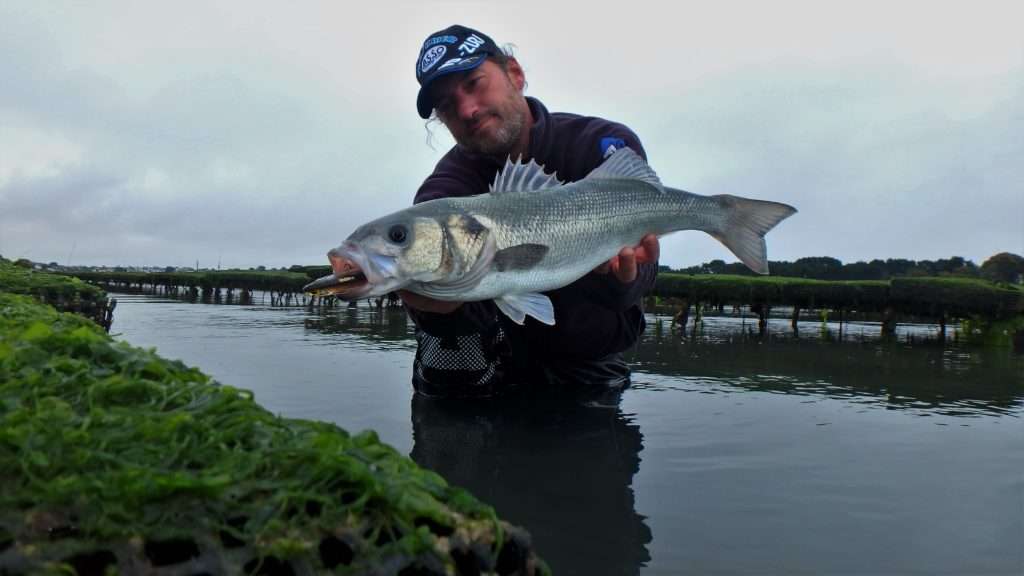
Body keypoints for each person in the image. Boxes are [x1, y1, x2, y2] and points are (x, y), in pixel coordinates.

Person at [403, 24, 660, 398]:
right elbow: (451, 315)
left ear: (515, 73)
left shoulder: (601, 145)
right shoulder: (443, 192)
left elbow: (638, 277)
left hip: (587, 362)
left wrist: (622, 279)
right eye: (446, 105)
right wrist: (435, 307)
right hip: (484, 364)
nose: (467, 110)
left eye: (474, 83)